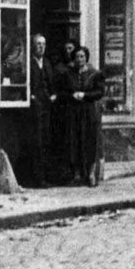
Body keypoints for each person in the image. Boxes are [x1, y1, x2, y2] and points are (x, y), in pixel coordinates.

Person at [55, 45, 104, 186]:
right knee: (74, 142)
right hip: (74, 112)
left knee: (89, 142)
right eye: (77, 56)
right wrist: (72, 95)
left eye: (82, 56)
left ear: (86, 57)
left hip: (89, 112)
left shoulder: (95, 74)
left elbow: (99, 92)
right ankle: (76, 174)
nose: (79, 59)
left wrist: (85, 95)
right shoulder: (68, 74)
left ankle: (90, 174)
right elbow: (61, 92)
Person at [28, 33, 58, 187]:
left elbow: (52, 82)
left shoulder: (46, 63)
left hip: (47, 107)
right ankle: (37, 178)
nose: (41, 47)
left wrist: (53, 95)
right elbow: (6, 65)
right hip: (34, 108)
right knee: (36, 142)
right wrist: (30, 96)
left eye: (43, 44)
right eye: (38, 44)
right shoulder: (28, 62)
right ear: (32, 46)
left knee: (46, 141)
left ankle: (46, 177)